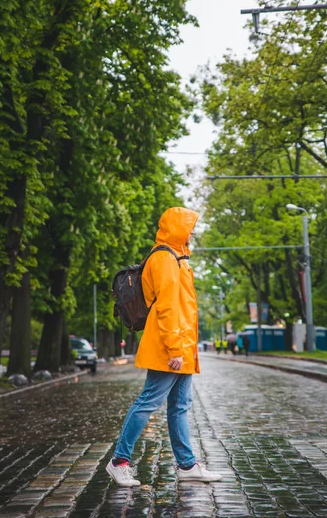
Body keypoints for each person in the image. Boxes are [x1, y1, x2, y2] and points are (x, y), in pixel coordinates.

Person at [106, 207, 222, 487]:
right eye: (189, 226)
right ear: (177, 227)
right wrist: (173, 350)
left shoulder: (178, 258)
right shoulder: (165, 258)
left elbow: (182, 307)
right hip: (168, 345)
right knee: (148, 401)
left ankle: (187, 465)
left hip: (180, 345)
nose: (192, 232)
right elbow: (169, 308)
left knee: (181, 406)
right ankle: (118, 462)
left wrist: (182, 348)